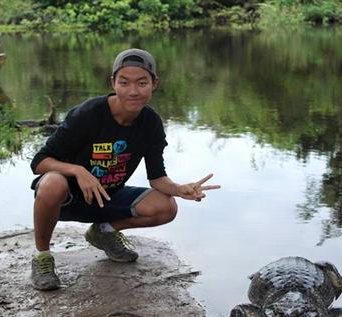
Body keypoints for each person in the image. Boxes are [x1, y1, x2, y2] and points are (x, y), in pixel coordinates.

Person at [30, 48, 220, 291]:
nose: (133, 91)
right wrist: (79, 171)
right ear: (113, 82)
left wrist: (180, 188)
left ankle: (103, 232)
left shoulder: (150, 123)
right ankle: (43, 258)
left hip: (107, 196)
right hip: (66, 198)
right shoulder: (89, 114)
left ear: (154, 84)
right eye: (124, 82)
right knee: (52, 183)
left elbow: (157, 177)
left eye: (142, 83)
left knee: (166, 206)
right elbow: (39, 162)